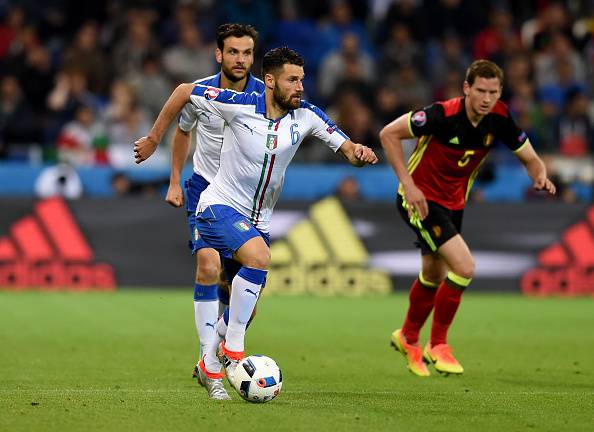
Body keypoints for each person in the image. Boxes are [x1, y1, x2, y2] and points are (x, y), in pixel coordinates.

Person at [134, 46, 377, 398]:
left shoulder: (307, 116)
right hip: (216, 206)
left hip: (258, 220)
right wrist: (155, 137)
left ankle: (208, 363)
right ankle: (232, 350)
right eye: (292, 80)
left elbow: (348, 149)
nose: (300, 87)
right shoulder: (239, 105)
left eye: (302, 80)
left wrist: (360, 154)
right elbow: (184, 91)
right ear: (269, 81)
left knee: (246, 306)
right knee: (257, 258)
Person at [379, 59, 555, 377]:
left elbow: (530, 158)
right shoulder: (441, 114)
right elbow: (388, 134)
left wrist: (539, 175)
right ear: (466, 89)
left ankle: (407, 337)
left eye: (493, 92)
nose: (486, 99)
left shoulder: (499, 117)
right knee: (464, 266)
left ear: (500, 92)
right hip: (418, 200)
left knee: (433, 273)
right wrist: (409, 184)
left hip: (453, 204)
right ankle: (438, 345)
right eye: (480, 91)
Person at [163, 23, 264, 399]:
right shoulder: (200, 93)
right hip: (205, 189)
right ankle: (210, 366)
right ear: (219, 54)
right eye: (233, 52)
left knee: (244, 302)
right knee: (208, 265)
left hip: (244, 199)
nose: (241, 59)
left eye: (247, 53)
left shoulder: (264, 97)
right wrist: (175, 180)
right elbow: (183, 132)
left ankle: (216, 347)